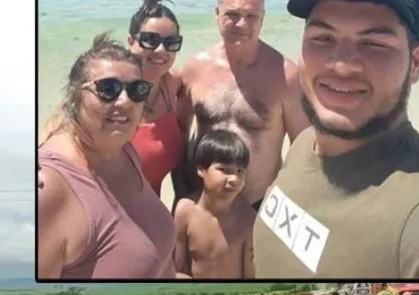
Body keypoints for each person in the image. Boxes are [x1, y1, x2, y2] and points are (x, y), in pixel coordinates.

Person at [251, 0, 419, 279]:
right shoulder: (303, 144)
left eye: (374, 43)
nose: (342, 65)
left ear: (416, 63)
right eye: (322, 38)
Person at [37, 33, 179, 279]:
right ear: (75, 96)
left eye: (137, 90)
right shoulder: (49, 187)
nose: (124, 101)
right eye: (108, 89)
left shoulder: (124, 151)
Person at [172, 0, 310, 211]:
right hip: (202, 202)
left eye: (251, 16)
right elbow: (178, 134)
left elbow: (302, 147)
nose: (241, 24)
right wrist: (181, 191)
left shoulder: (285, 76)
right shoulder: (195, 69)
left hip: (258, 205)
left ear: (262, 19)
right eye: (232, 15)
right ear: (216, 15)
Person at [172, 129, 256, 278]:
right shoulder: (185, 212)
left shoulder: (247, 219)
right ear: (201, 169)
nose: (234, 179)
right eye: (224, 170)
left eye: (240, 171)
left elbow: (249, 275)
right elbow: (176, 268)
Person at [126, 0, 187, 197]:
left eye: (171, 42)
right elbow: (59, 131)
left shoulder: (171, 86)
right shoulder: (110, 90)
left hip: (152, 217)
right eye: (150, 40)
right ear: (130, 41)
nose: (161, 50)